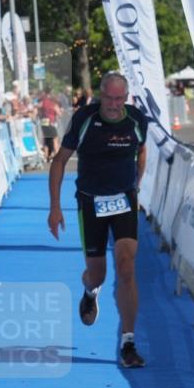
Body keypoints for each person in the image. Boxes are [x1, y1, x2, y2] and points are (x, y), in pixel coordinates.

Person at [47, 71, 148, 369]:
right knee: (99, 274)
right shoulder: (85, 119)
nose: (115, 105)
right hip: (91, 202)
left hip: (124, 199)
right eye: (110, 98)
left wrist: (136, 186)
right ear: (101, 96)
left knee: (127, 266)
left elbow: (141, 151)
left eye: (121, 99)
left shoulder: (136, 119)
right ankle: (90, 291)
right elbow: (59, 161)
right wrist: (55, 207)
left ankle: (128, 341)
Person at [38, 89, 60, 161]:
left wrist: (41, 116)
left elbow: (38, 109)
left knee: (46, 139)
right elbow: (58, 113)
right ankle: (57, 156)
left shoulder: (43, 101)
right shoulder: (53, 103)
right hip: (51, 121)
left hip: (44, 121)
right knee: (55, 139)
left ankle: (46, 156)